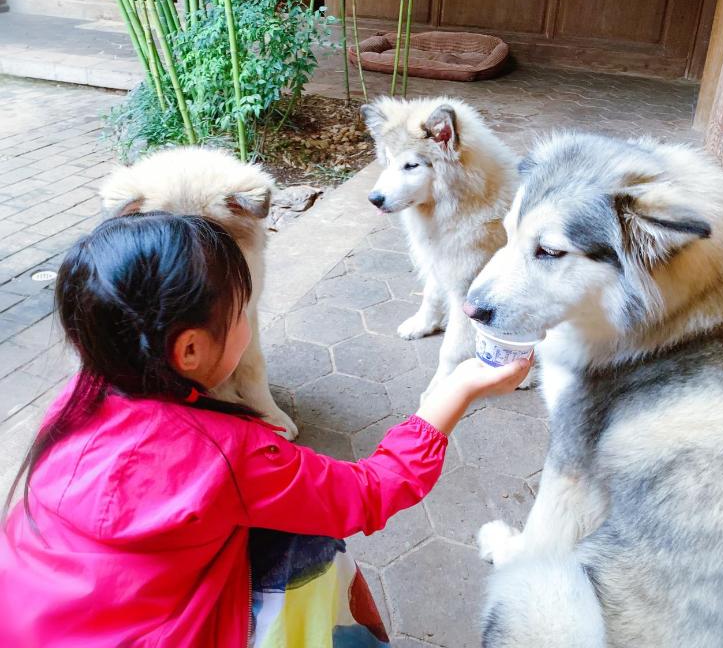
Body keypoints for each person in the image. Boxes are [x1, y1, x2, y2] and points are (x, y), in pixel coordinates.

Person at [0, 212, 530, 647]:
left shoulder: (76, 402)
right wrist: (457, 390)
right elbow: (370, 490)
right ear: (189, 349)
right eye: (239, 312)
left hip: (36, 624)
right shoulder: (228, 454)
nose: (249, 321)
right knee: (307, 541)